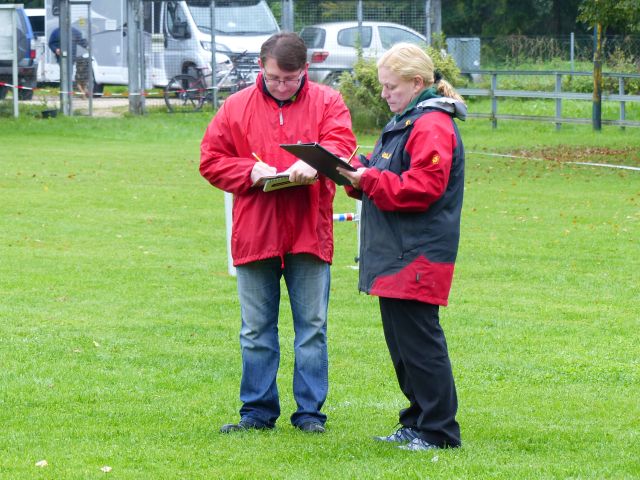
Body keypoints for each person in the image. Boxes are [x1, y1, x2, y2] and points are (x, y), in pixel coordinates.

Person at [200, 32, 357, 434]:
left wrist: (316, 163)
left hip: (308, 231)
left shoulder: (328, 102)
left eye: (290, 79)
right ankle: (256, 412)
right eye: (273, 78)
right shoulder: (236, 106)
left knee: (312, 329)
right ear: (261, 68)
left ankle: (310, 414)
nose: (282, 86)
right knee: (255, 329)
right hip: (256, 232)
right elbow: (211, 160)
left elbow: (342, 144)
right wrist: (249, 171)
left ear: (305, 70)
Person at [337, 43, 466, 451]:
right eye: (382, 86)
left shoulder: (432, 125)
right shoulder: (404, 121)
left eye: (391, 86)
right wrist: (356, 174)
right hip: (395, 250)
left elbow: (423, 188)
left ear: (416, 82)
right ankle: (416, 421)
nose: (384, 94)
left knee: (421, 345)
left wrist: (368, 180)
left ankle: (439, 431)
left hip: (418, 252)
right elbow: (386, 173)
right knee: (403, 346)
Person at [48, 26, 90, 96]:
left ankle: (67, 92)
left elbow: (81, 40)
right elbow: (51, 43)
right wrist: (56, 49)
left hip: (71, 57)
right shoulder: (56, 32)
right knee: (65, 74)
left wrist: (87, 46)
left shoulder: (74, 31)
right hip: (61, 58)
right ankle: (66, 92)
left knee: (69, 74)